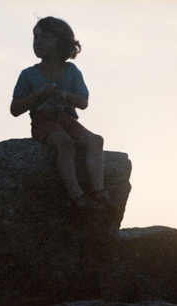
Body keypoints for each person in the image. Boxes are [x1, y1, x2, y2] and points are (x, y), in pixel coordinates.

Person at [10, 16, 113, 211]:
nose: (38, 42)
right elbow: (15, 109)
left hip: (68, 119)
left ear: (61, 42)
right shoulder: (28, 74)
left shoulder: (71, 71)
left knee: (95, 141)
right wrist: (38, 95)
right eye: (36, 37)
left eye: (45, 37)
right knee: (65, 143)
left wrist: (65, 95)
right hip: (43, 120)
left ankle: (99, 191)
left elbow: (83, 102)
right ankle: (76, 194)